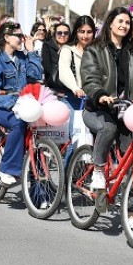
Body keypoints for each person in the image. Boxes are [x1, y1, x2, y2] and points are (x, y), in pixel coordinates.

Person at [80, 6, 133, 192]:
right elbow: (90, 79)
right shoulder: (94, 49)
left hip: (126, 111)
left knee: (131, 154)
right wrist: (100, 95)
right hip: (97, 110)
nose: (124, 25)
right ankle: (98, 170)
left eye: (127, 22)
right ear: (110, 23)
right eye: (120, 21)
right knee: (108, 128)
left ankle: (131, 202)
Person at [0, 21, 42, 185]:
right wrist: (14, 104)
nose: (22, 38)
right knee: (18, 122)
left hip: (22, 103)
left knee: (39, 128)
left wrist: (31, 52)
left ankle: (39, 186)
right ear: (7, 37)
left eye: (22, 35)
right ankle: (6, 169)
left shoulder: (22, 57)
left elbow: (36, 75)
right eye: (19, 36)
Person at [56, 15, 95, 164]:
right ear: (76, 32)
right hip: (73, 99)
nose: (85, 36)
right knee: (76, 138)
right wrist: (75, 88)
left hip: (92, 99)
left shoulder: (97, 50)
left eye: (89, 32)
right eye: (81, 31)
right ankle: (66, 174)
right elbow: (64, 72)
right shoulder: (68, 50)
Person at [42, 21, 70, 89]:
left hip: (69, 86)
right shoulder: (47, 46)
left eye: (66, 33)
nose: (62, 35)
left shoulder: (72, 48)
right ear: (55, 34)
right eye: (59, 33)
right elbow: (47, 67)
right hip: (53, 86)